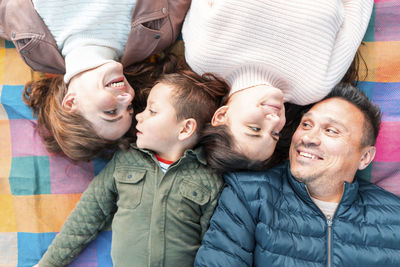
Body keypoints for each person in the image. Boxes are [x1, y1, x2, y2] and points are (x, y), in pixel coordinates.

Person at [35, 69, 229, 267]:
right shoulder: (126, 160)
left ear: (185, 128)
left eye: (152, 111)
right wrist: (47, 264)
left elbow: (215, 245)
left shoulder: (209, 178)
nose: (138, 116)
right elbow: (87, 216)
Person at [194, 84, 400, 266]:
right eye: (306, 124)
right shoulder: (250, 193)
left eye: (331, 131)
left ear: (365, 157)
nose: (309, 138)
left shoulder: (394, 218)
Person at [182, 0, 374, 171]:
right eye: (275, 134)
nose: (274, 120)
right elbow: (357, 12)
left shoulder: (204, 56)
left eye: (255, 128)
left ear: (221, 116)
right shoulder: (311, 87)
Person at [0, 0, 190, 161]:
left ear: (71, 102)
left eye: (110, 112)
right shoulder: (159, 33)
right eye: (130, 108)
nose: (126, 97)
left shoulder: (29, 45)